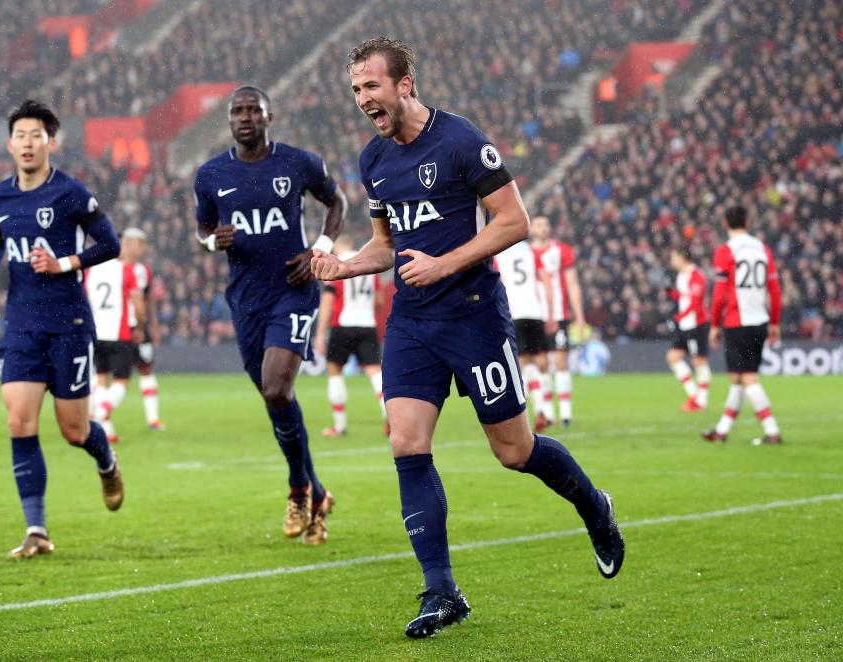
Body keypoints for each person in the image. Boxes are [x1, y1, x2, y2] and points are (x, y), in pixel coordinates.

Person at [311, 37, 623, 639]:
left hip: (475, 314)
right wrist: (346, 265)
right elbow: (388, 244)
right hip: (412, 321)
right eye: (355, 90)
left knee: (514, 451)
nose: (363, 99)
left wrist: (445, 264)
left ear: (404, 84)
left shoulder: (459, 140)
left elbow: (515, 221)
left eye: (371, 86)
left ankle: (594, 506)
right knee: (406, 443)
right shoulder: (372, 160)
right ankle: (441, 591)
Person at [194, 86, 347, 544]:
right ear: (229, 120)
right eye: (237, 111)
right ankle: (317, 493)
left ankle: (298, 489)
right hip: (245, 300)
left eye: (252, 110)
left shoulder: (298, 163)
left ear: (268, 116)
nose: (245, 117)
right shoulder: (210, 174)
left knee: (278, 387)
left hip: (293, 291)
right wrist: (210, 241)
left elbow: (335, 201)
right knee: (272, 395)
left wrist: (319, 249)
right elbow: (203, 227)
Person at [0, 99, 124, 559]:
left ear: (50, 142)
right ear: (9, 144)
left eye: (36, 135)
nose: (28, 143)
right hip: (21, 325)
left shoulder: (71, 193)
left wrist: (65, 263)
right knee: (19, 421)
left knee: (74, 431)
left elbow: (111, 243)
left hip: (69, 323)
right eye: (20, 136)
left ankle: (107, 461)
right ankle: (36, 529)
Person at [702, 206, 782, 445]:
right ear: (747, 221)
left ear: (725, 223)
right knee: (738, 377)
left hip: (737, 321)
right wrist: (775, 322)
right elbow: (775, 290)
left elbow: (719, 294)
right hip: (759, 320)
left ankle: (772, 431)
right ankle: (722, 430)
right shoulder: (762, 248)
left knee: (747, 377)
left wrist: (715, 324)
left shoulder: (726, 251)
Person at [313, 238, 388, 437]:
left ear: (337, 245)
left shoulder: (336, 263)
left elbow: (328, 301)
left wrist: (320, 334)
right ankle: (391, 414)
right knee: (375, 372)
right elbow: (379, 300)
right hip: (367, 325)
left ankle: (339, 426)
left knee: (334, 370)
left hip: (342, 325)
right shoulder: (367, 263)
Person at [85, 228, 146, 443]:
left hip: (96, 334)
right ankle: (100, 413)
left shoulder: (90, 271)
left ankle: (106, 430)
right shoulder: (126, 270)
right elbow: (138, 304)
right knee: (121, 382)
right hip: (119, 334)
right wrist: (140, 326)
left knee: (101, 379)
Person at [494, 237, 558, 431]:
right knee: (542, 362)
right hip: (535, 312)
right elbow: (546, 283)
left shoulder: (499, 253)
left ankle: (540, 410)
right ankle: (548, 410)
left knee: (524, 363)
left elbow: (497, 283)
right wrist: (551, 314)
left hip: (515, 313)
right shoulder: (531, 252)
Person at [530, 215, 585, 428]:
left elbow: (572, 284)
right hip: (535, 316)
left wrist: (579, 316)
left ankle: (566, 414)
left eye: (545, 224)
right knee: (542, 363)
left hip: (560, 314)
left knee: (561, 361)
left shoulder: (561, 250)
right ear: (531, 228)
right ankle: (548, 413)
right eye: (538, 225)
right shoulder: (526, 253)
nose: (543, 228)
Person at [125, 228, 165, 431]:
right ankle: (99, 417)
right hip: (119, 327)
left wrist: (154, 326)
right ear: (129, 244)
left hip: (138, 327)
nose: (143, 248)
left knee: (145, 368)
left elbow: (148, 300)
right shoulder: (111, 267)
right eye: (140, 244)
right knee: (106, 374)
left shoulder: (144, 269)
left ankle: (153, 418)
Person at [665, 246, 711, 411]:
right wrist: (671, 293)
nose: (672, 261)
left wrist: (679, 316)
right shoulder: (682, 276)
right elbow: (685, 297)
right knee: (673, 357)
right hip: (685, 324)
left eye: (673, 257)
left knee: (699, 361)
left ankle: (701, 400)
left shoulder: (696, 275)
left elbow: (696, 301)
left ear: (681, 258)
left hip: (696, 324)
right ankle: (694, 396)